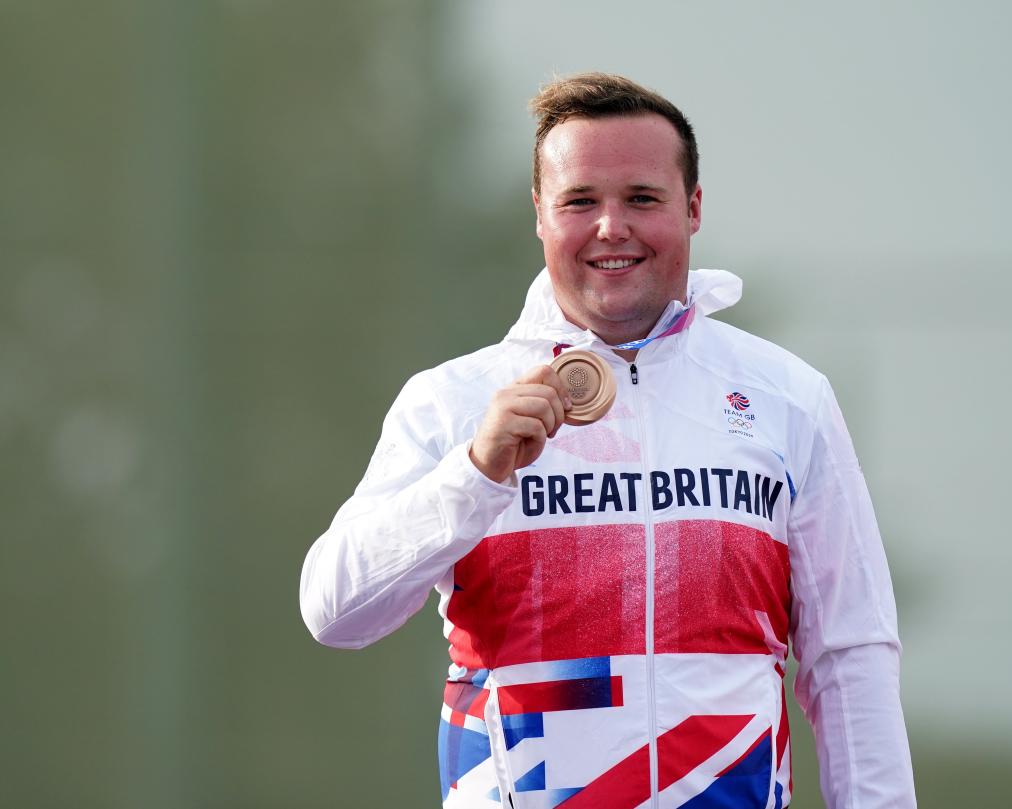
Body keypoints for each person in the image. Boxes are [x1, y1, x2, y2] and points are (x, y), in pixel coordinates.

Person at [300, 72, 916, 809]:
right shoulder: (454, 402)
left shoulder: (787, 396)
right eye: (580, 201)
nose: (610, 227)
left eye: (642, 199)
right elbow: (335, 611)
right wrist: (474, 473)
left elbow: (848, 653)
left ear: (691, 209)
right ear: (539, 214)